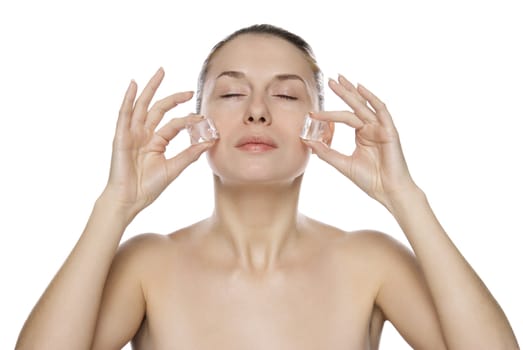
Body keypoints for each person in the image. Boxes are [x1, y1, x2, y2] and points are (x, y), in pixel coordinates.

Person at [15, 24, 518, 350]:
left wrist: (404, 198)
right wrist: (115, 206)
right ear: (197, 125)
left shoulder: (371, 262)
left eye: (284, 93)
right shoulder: (147, 264)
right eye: (232, 93)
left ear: (320, 127)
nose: (257, 110)